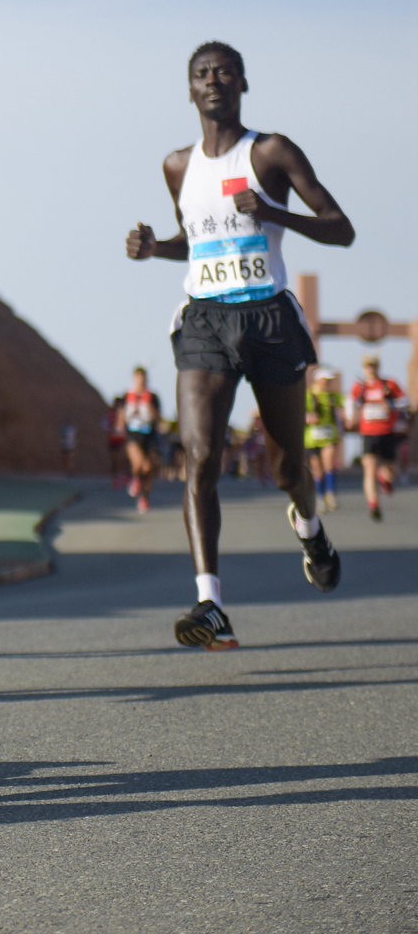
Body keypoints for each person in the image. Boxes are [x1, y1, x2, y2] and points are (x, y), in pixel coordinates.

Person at [125, 41, 353, 650]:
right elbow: (194, 240)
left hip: (270, 319)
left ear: (243, 83)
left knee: (288, 468)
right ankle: (210, 604)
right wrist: (156, 248)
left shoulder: (271, 151)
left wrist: (277, 209)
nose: (213, 80)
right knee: (200, 458)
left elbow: (341, 228)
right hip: (204, 320)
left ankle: (310, 529)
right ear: (190, 90)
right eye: (201, 74)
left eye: (224, 72)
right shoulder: (177, 165)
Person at [348, 353, 407, 522]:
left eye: (373, 366)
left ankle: (385, 479)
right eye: (367, 366)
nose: (370, 369)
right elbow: (350, 402)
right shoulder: (360, 387)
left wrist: (391, 404)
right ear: (363, 368)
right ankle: (373, 504)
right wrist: (351, 417)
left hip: (387, 432)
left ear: (378, 367)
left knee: (390, 471)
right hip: (368, 433)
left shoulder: (389, 384)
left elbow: (406, 402)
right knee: (369, 469)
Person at [122, 368, 162, 512]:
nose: (141, 380)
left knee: (149, 468)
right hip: (133, 434)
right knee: (138, 463)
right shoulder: (127, 395)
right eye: (138, 377)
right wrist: (120, 425)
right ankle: (135, 480)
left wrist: (149, 406)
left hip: (149, 435)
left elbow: (158, 418)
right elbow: (121, 413)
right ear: (134, 378)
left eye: (143, 377)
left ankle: (144, 497)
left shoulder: (152, 396)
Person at [305, 368, 343, 512]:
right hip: (312, 438)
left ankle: (331, 494)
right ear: (318, 380)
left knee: (329, 463)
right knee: (317, 469)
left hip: (329, 435)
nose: (327, 383)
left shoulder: (333, 396)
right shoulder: (309, 395)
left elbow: (347, 402)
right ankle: (320, 497)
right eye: (325, 380)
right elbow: (300, 411)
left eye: (329, 380)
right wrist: (309, 417)